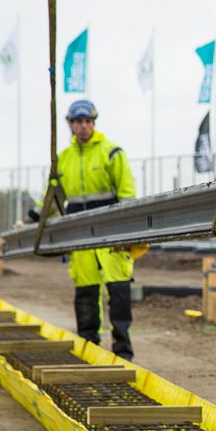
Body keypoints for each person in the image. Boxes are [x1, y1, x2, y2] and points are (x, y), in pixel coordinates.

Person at [58, 99, 137, 360]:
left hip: (111, 236)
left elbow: (127, 194)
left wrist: (127, 232)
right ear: (70, 125)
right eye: (78, 122)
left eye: (88, 121)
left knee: (119, 293)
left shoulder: (112, 152)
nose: (84, 126)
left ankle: (123, 352)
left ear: (94, 124)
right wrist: (30, 220)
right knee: (85, 295)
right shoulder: (63, 159)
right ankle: (89, 350)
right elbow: (53, 197)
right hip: (80, 239)